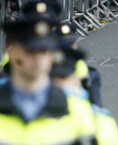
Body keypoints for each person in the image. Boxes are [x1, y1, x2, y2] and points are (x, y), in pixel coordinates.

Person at [0, 14, 98, 144]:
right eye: (30, 50)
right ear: (10, 51)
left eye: (44, 50)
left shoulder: (77, 109)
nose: (37, 58)